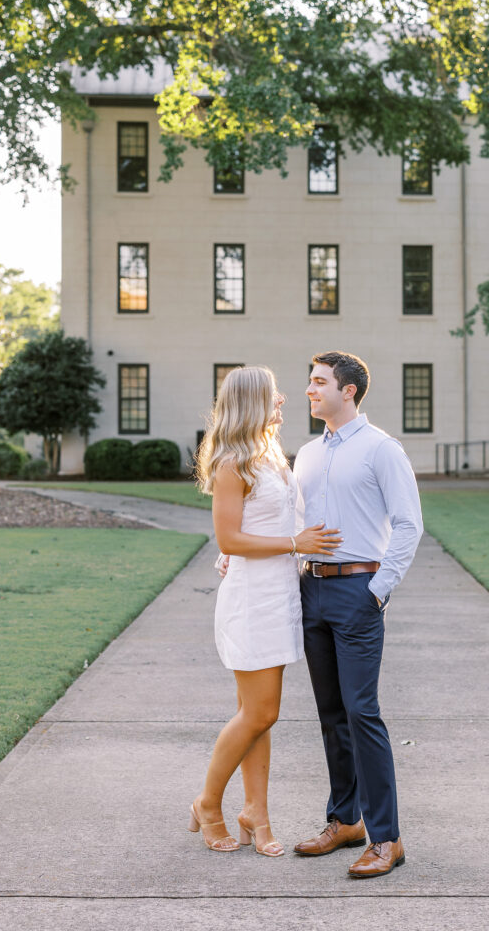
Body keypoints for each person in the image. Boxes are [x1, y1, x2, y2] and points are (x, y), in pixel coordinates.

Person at [190, 365, 341, 857]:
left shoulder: (270, 454)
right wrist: (291, 543)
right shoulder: (232, 462)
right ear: (254, 401)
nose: (283, 401)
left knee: (257, 716)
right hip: (252, 601)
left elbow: (259, 524)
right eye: (274, 395)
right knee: (261, 710)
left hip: (278, 595)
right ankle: (208, 803)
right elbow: (229, 537)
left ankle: (257, 812)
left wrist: (280, 543)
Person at [293, 350, 423, 878]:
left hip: (357, 592)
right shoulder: (305, 453)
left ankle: (386, 837)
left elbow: (409, 524)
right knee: (330, 715)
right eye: (309, 381)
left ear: (348, 391)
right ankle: (345, 821)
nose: (310, 390)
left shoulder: (380, 449)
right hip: (312, 592)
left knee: (361, 712)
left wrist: (377, 591)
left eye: (320, 382)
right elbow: (296, 522)